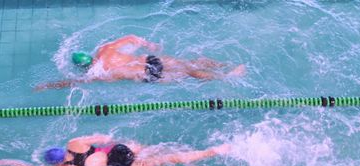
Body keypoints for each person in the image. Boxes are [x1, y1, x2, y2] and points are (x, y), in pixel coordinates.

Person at [35, 34, 246, 90]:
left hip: (147, 75)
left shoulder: (97, 74)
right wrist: (150, 45)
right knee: (190, 62)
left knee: (187, 74)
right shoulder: (104, 49)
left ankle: (227, 77)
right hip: (150, 59)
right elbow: (131, 38)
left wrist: (49, 85)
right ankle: (223, 64)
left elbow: (76, 83)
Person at [0, 134, 232, 166]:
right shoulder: (74, 144)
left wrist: (9, 162)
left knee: (166, 160)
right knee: (155, 150)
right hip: (118, 150)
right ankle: (212, 148)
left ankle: (213, 152)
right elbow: (103, 137)